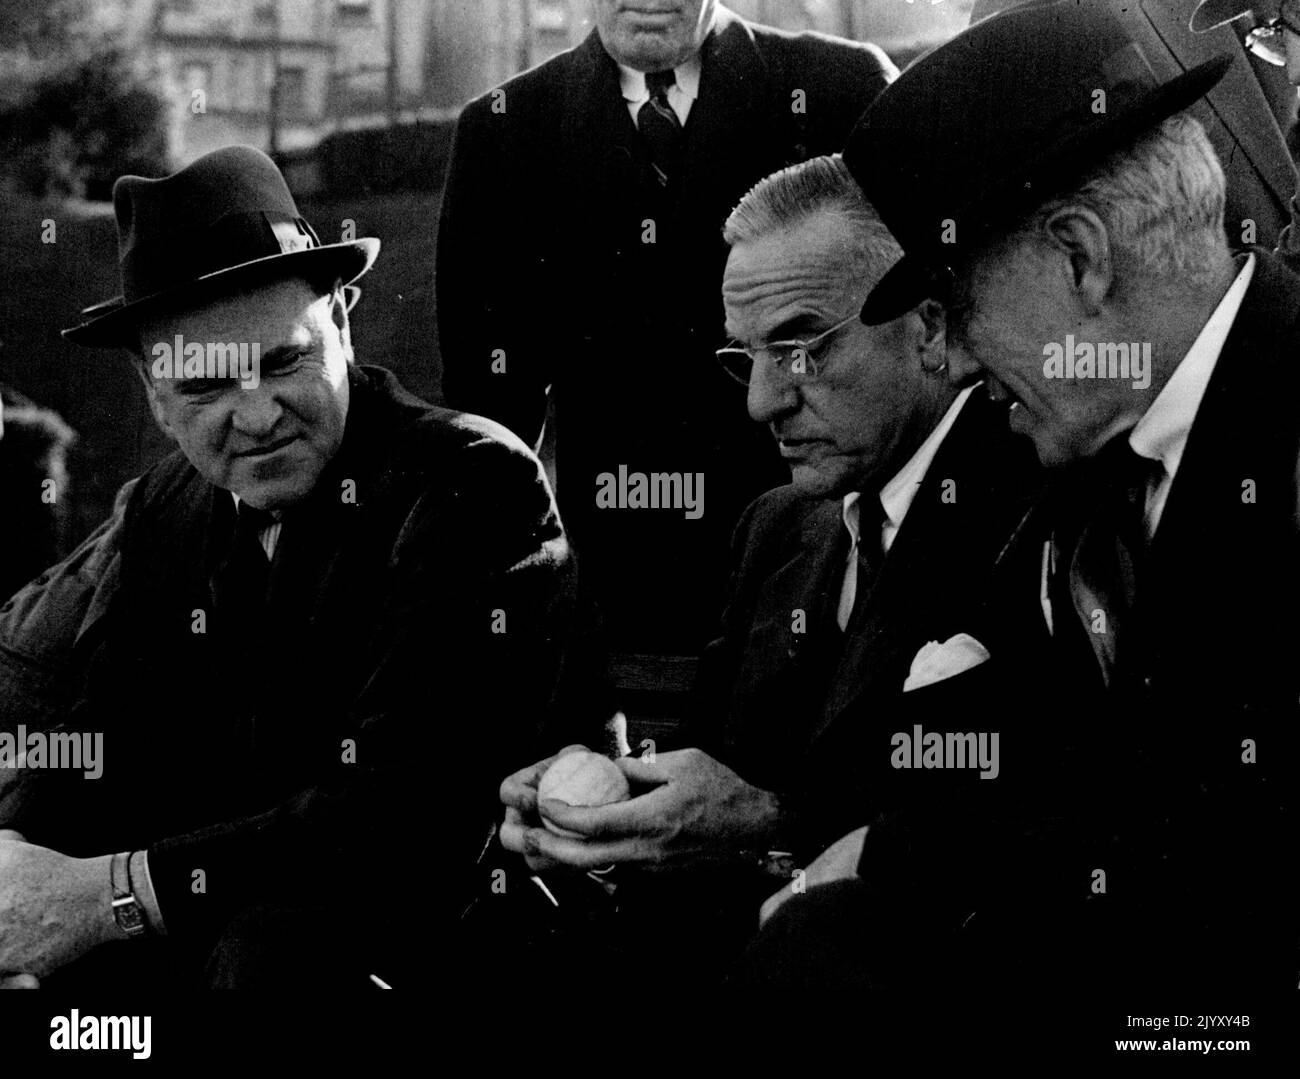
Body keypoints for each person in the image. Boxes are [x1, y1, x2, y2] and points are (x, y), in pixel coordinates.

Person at [752, 0, 1298, 991]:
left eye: (954, 303)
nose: (950, 361)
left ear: (1081, 256)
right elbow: (995, 743)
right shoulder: (1081, 458)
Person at [0, 145, 603, 989]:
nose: (256, 415)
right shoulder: (170, 506)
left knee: (272, 959)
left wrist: (103, 897)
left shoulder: (472, 484)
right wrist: (19, 868)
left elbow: (405, 812)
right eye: (206, 385)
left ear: (343, 323)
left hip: (439, 943)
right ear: (153, 392)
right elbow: (116, 732)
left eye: (283, 361)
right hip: (219, 927)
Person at [491, 155, 1044, 987]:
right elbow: (710, 791)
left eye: (799, 349)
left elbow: (1004, 830)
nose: (760, 402)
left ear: (930, 327)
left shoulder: (1038, 511)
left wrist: (766, 822)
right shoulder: (779, 527)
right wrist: (608, 822)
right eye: (745, 357)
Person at [436, 1, 897, 668]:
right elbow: (488, 420)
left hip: (819, 596)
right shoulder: (504, 131)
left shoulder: (841, 89)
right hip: (618, 607)